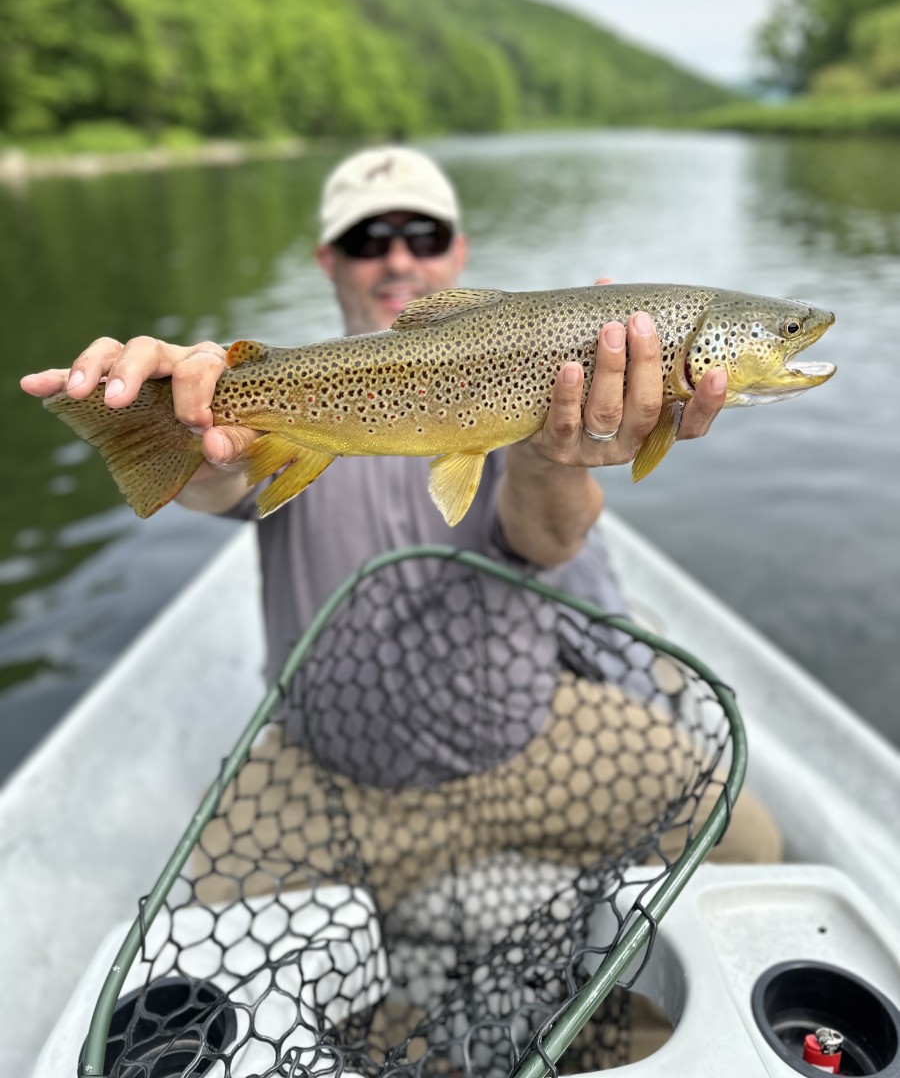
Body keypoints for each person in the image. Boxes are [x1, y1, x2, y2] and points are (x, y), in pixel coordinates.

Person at [20, 145, 778, 857]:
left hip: (527, 745)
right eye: (367, 239)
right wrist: (187, 418)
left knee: (749, 842)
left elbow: (548, 543)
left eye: (423, 234)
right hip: (325, 780)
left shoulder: (552, 381)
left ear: (458, 250)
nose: (399, 258)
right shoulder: (282, 395)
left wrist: (551, 459)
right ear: (328, 260)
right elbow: (220, 478)